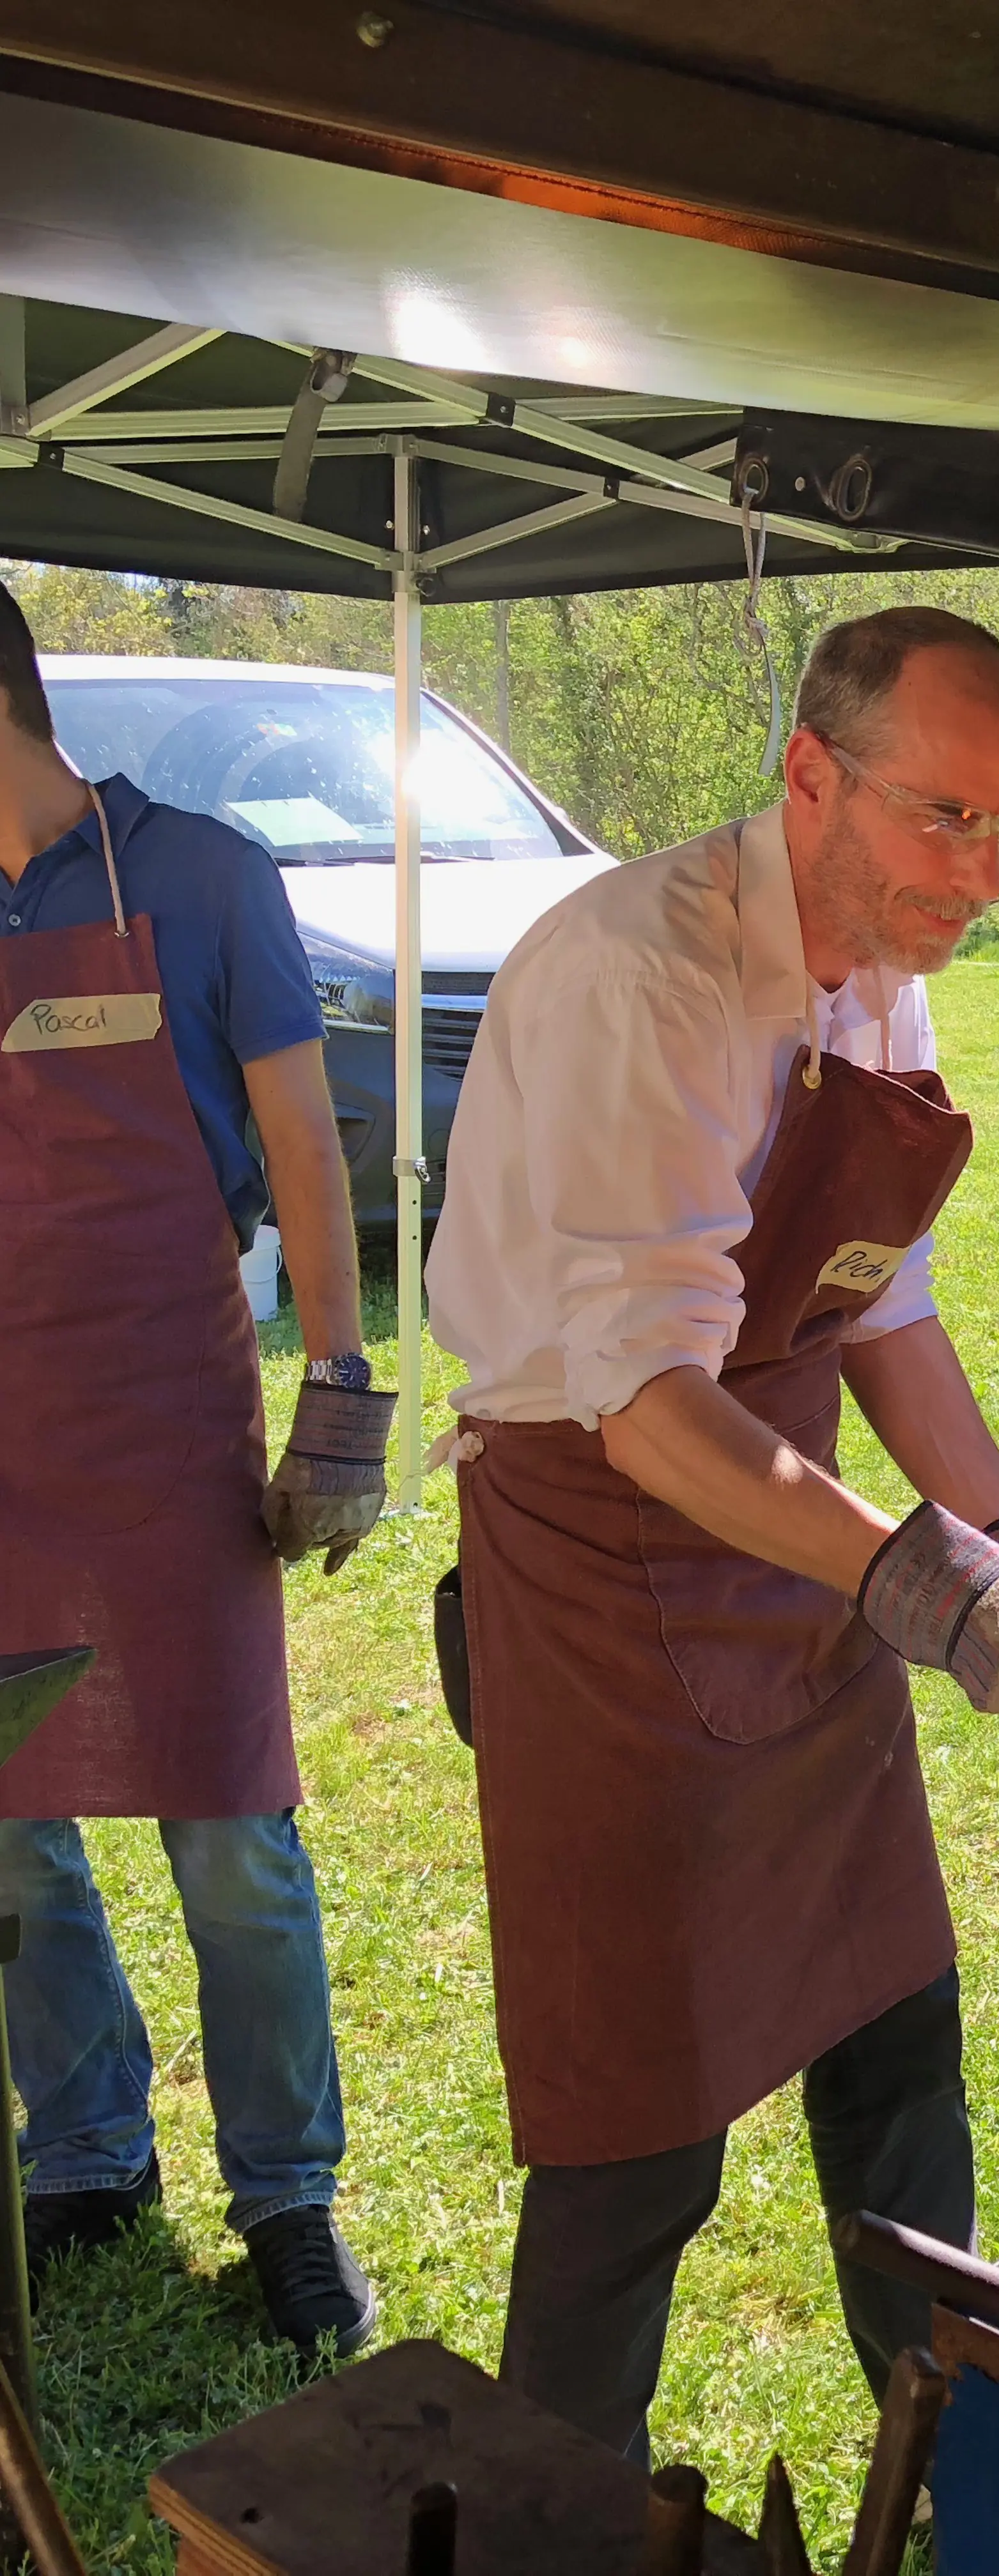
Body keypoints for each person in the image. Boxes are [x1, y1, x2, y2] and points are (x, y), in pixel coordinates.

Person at [425, 605, 999, 2463]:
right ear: (809, 776)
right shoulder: (641, 976)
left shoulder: (876, 978)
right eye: (942, 822)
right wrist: (927, 1587)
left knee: (901, 2039)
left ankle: (960, 2470)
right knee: (633, 2133)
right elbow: (653, 1402)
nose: (978, 878)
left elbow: (878, 1310)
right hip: (606, 1559)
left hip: (797, 1554)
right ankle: (545, 2520)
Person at [0, 578, 388, 2354]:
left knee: (230, 1820)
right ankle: (84, 2147)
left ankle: (287, 2197)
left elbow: (305, 1141)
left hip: (165, 1404)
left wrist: (341, 1384)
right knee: (11, 1830)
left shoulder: (206, 874)